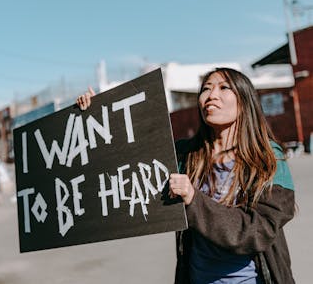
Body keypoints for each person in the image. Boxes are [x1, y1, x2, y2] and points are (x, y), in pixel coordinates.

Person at [76, 68, 295, 284]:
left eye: (224, 87)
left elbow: (257, 231)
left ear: (245, 101)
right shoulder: (184, 155)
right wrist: (98, 117)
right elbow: (128, 162)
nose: (211, 96)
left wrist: (193, 199)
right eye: (206, 89)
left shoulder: (267, 158)